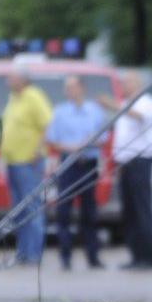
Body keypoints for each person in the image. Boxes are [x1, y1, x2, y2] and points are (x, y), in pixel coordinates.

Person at [44, 75, 109, 269]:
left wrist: (91, 142)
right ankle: (65, 257)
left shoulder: (95, 111)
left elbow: (104, 135)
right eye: (66, 88)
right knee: (64, 212)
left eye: (71, 87)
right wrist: (70, 147)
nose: (68, 91)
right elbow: (52, 139)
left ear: (81, 88)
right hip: (69, 164)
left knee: (89, 212)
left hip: (88, 163)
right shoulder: (60, 112)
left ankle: (93, 256)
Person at [0, 68, 52, 265]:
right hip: (12, 161)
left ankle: (34, 254)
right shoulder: (13, 97)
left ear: (22, 79)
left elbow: (47, 123)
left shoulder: (33, 96)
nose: (7, 80)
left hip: (28, 161)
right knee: (18, 210)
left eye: (10, 77)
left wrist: (38, 150)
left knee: (32, 208)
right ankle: (23, 252)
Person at [113, 73, 152, 271]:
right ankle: (136, 255)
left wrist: (113, 106)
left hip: (140, 162)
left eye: (126, 82)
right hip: (125, 163)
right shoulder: (125, 103)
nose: (123, 86)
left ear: (136, 84)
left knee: (142, 209)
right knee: (130, 211)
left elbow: (139, 116)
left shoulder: (146, 103)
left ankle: (150, 257)